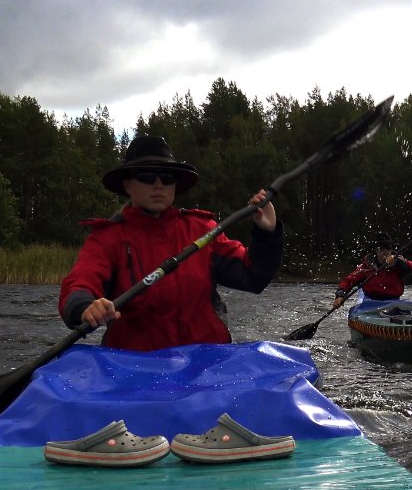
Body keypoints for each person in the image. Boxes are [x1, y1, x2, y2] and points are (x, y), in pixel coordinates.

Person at [59, 135, 283, 352]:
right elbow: (80, 284)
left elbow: (253, 276)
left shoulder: (202, 230)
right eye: (147, 176)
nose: (158, 184)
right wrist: (85, 307)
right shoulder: (107, 238)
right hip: (136, 370)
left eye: (167, 177)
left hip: (206, 365)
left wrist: (266, 232)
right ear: (128, 185)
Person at [332, 234, 412, 308]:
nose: (384, 251)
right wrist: (340, 295)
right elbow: (348, 281)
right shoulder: (366, 267)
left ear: (391, 249)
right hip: (370, 302)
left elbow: (411, 267)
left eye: (388, 247)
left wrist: (397, 262)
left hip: (393, 302)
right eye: (381, 248)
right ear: (376, 250)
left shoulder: (398, 261)